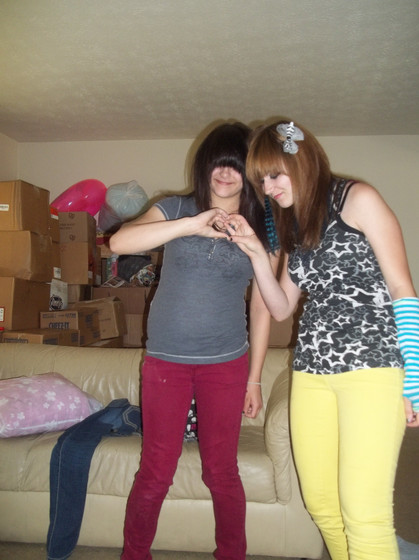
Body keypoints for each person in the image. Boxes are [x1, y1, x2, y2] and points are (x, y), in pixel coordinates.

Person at [222, 119, 419, 560]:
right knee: (323, 507)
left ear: (301, 159)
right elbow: (280, 308)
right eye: (261, 181)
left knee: (364, 515)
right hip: (311, 373)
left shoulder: (358, 199)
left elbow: (403, 289)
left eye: (274, 175)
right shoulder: (297, 225)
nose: (268, 189)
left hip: (372, 369)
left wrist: (416, 378)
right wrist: (257, 255)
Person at [109, 122, 278, 560]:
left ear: (249, 172)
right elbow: (119, 242)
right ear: (205, 165)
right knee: (156, 471)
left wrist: (255, 378)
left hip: (226, 363)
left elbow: (264, 308)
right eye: (219, 163)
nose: (225, 173)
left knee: (221, 472)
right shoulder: (175, 207)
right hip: (166, 362)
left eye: (235, 166)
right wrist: (191, 225)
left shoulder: (264, 227)